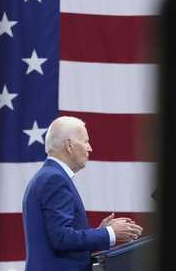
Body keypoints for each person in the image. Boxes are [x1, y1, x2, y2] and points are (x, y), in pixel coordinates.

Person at [22, 116, 143, 271]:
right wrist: (109, 233)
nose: (90, 148)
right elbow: (61, 238)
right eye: (85, 141)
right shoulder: (54, 179)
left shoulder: (49, 176)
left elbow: (61, 236)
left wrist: (99, 232)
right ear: (69, 145)